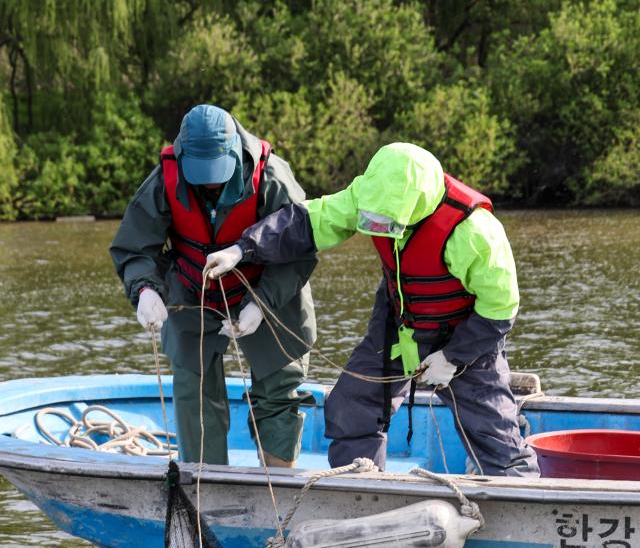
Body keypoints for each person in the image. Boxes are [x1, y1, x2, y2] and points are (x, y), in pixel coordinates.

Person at [204, 142, 539, 477]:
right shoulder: (365, 193)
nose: (378, 228)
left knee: (492, 431)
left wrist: (453, 357)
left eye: (387, 221)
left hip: (468, 332)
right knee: (351, 407)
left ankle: (518, 495)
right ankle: (360, 490)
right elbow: (310, 221)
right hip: (398, 321)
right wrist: (243, 249)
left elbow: (500, 308)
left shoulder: (475, 230)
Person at [110, 104, 316, 467]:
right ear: (183, 154)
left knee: (280, 388)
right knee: (194, 390)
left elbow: (300, 249)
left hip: (269, 287)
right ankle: (205, 482)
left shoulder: (273, 179)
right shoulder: (164, 180)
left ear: (235, 149)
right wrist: (145, 290)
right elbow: (134, 247)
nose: (210, 181)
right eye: (201, 172)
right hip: (193, 292)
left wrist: (261, 304)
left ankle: (280, 479)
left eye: (217, 171)